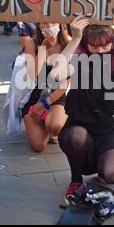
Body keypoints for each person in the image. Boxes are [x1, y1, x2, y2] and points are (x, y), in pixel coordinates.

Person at [52, 16, 114, 204]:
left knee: (112, 174)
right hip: (77, 125)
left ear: (113, 45)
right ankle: (76, 179)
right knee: (77, 136)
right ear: (86, 45)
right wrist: (75, 38)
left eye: (104, 45)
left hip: (105, 130)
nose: (99, 50)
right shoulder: (78, 61)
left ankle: (98, 171)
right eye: (94, 45)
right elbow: (55, 74)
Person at [20, 23, 70, 152]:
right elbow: (32, 74)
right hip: (32, 98)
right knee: (39, 146)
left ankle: (50, 123)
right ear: (38, 24)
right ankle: (41, 125)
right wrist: (43, 49)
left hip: (55, 98)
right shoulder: (31, 43)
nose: (48, 26)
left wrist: (45, 103)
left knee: (55, 126)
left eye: (53, 22)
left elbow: (65, 84)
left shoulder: (67, 44)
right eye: (44, 23)